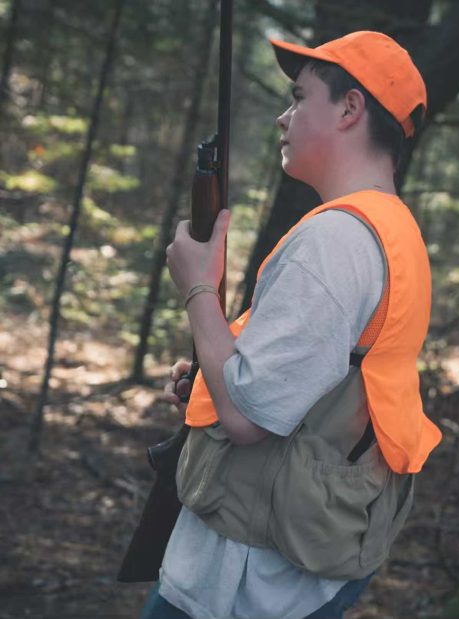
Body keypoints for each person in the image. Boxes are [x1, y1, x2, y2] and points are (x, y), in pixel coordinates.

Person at [143, 31, 442, 619]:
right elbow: (313, 378)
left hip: (247, 577)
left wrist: (198, 288)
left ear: (351, 108)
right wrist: (214, 369)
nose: (284, 117)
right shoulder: (390, 227)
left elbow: (249, 417)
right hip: (304, 555)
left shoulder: (334, 240)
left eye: (300, 97)